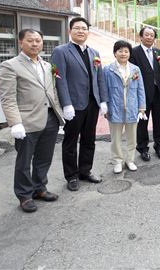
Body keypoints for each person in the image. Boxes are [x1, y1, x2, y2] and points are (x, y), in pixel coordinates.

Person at [0, 29, 64, 213]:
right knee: (24, 161)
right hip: (26, 121)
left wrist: (60, 116)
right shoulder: (10, 65)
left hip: (50, 119)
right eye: (30, 41)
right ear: (21, 42)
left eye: (38, 41)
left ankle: (39, 188)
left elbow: (52, 92)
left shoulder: (46, 65)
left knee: (44, 158)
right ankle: (24, 196)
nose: (35, 44)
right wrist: (15, 122)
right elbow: (8, 98)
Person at [52, 17, 107, 191]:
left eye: (84, 28)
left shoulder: (94, 53)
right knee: (70, 141)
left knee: (89, 139)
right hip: (74, 105)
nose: (81, 31)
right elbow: (59, 79)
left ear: (88, 32)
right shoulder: (61, 51)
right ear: (70, 31)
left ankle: (85, 170)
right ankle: (71, 176)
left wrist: (103, 100)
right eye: (77, 28)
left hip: (92, 103)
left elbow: (100, 78)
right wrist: (66, 104)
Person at [104, 41, 146, 174]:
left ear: (129, 53)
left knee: (132, 137)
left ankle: (130, 160)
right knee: (115, 138)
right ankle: (117, 161)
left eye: (126, 51)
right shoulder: (108, 69)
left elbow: (141, 89)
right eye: (120, 51)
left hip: (132, 108)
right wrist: (105, 106)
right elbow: (104, 89)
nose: (123, 54)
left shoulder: (135, 69)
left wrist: (142, 107)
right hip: (114, 108)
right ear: (115, 53)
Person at [129, 26, 160, 161]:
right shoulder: (134, 52)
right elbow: (132, 74)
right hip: (142, 94)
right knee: (142, 123)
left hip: (158, 92)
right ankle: (143, 148)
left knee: (159, 121)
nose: (149, 37)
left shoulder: (159, 52)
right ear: (141, 37)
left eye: (152, 35)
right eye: (146, 35)